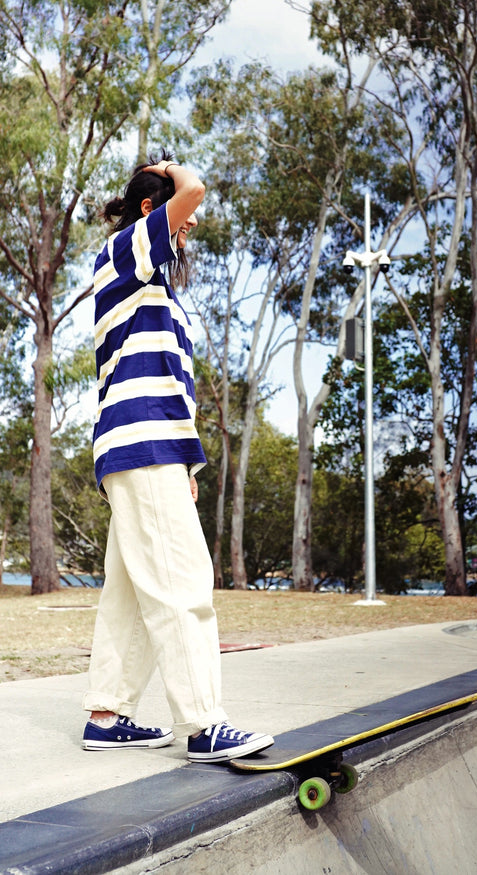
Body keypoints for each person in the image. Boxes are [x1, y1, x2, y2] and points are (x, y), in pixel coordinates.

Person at [82, 150, 273, 762]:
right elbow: (193, 190)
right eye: (176, 221)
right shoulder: (125, 254)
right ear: (149, 211)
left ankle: (107, 715)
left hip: (146, 448)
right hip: (141, 445)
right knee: (182, 582)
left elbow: (169, 382)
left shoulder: (150, 285)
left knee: (133, 593)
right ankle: (203, 724)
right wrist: (170, 167)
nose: (188, 228)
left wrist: (187, 465)